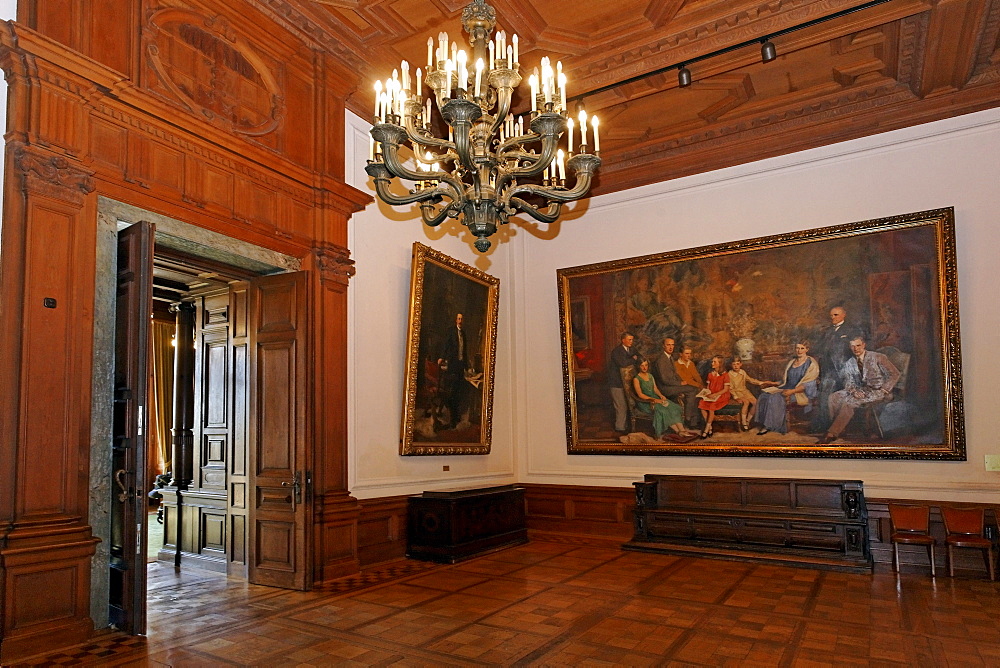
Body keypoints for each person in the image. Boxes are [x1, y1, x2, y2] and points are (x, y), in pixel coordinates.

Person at [818, 335, 901, 444]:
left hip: (878, 391)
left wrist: (884, 390)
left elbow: (895, 373)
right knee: (833, 397)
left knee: (849, 402)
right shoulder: (850, 362)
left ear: (864, 345)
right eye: (853, 346)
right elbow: (848, 381)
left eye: (858, 345)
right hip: (860, 390)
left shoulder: (877, 357)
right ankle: (841, 429)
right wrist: (854, 391)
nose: (856, 349)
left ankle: (832, 433)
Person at [811, 306, 863, 433]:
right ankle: (825, 425)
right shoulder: (827, 331)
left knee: (846, 397)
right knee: (824, 396)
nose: (833, 318)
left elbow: (856, 350)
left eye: (836, 315)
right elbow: (818, 348)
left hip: (845, 370)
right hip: (829, 370)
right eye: (831, 315)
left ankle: (848, 427)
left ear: (843, 315)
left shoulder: (852, 330)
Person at [755, 341, 819, 435]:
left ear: (807, 349)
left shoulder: (811, 363)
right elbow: (785, 381)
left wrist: (792, 391)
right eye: (797, 348)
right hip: (787, 388)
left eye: (802, 348)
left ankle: (771, 426)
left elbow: (809, 384)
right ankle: (764, 423)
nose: (799, 350)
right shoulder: (791, 362)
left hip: (800, 392)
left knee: (775, 397)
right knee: (764, 395)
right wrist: (772, 383)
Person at [632, 359, 697, 440]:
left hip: (656, 398)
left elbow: (655, 389)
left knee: (674, 408)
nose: (644, 367)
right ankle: (678, 431)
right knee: (664, 410)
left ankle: (682, 430)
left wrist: (661, 395)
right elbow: (640, 395)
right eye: (642, 365)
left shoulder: (650, 376)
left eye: (646, 365)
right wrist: (653, 400)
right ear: (639, 366)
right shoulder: (636, 379)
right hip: (646, 402)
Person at [653, 338, 701, 427]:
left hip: (671, 385)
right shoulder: (661, 360)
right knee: (692, 390)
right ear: (663, 346)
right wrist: (680, 383)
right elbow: (664, 380)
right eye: (668, 345)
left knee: (693, 388)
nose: (671, 347)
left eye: (672, 345)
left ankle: (690, 418)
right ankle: (688, 419)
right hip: (665, 389)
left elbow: (675, 374)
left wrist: (682, 381)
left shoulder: (670, 357)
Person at [437, 313, 470, 429]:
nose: (460, 321)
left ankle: (455, 417)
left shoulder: (463, 334)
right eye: (458, 319)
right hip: (453, 365)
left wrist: (467, 366)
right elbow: (446, 345)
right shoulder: (451, 331)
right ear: (456, 320)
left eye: (462, 319)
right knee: (451, 392)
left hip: (460, 366)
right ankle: (452, 418)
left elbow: (464, 352)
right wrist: (442, 357)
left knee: (458, 392)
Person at [607, 331, 642, 433]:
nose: (632, 341)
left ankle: (626, 426)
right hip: (616, 383)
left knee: (628, 405)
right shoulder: (616, 351)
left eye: (632, 339)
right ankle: (620, 428)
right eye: (629, 339)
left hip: (628, 382)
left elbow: (639, 357)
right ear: (623, 340)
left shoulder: (632, 349)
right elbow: (623, 363)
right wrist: (633, 359)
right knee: (620, 406)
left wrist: (634, 358)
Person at [727, 357, 768, 431]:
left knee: (755, 402)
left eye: (737, 364)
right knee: (746, 402)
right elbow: (730, 388)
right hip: (736, 392)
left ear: (741, 364)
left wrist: (760, 382)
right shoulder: (729, 374)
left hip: (744, 391)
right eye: (734, 364)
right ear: (731, 365)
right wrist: (736, 397)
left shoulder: (742, 372)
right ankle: (743, 422)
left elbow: (750, 379)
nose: (736, 366)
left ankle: (747, 420)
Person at [697, 355, 731, 438]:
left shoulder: (725, 375)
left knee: (711, 406)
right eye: (712, 361)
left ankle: (706, 430)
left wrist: (715, 395)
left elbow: (726, 389)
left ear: (720, 364)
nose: (712, 363)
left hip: (721, 395)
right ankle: (710, 427)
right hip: (712, 394)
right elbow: (708, 387)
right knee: (701, 404)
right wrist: (706, 393)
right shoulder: (710, 374)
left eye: (714, 362)